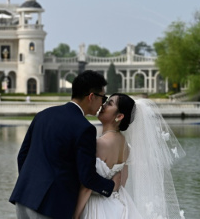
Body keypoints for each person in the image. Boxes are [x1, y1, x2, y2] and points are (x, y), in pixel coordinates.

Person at [9, 70, 121, 219]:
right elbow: (87, 177)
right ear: (91, 97)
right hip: (51, 206)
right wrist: (111, 186)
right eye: (103, 97)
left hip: (23, 197)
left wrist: (30, 183)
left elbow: (22, 155)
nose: (102, 104)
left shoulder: (43, 114)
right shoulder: (84, 128)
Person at [74, 94, 186, 219]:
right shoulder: (125, 146)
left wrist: (75, 215)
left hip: (95, 206)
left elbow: (87, 186)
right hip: (119, 205)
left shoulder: (100, 144)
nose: (103, 105)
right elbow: (123, 180)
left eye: (109, 103)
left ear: (119, 116)